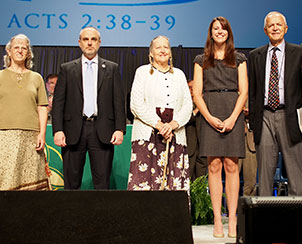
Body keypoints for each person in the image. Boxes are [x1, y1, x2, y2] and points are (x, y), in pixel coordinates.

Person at [193, 17, 248, 238]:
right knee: (214, 166)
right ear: (211, 32)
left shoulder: (240, 58)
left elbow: (243, 91)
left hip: (232, 110)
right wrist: (209, 117)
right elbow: (197, 93)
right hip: (210, 111)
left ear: (228, 32)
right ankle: (217, 219)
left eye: (223, 28)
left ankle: (232, 219)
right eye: (216, 28)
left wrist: (234, 118)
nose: (220, 32)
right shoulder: (201, 59)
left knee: (232, 166)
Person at [52, 27, 126, 190]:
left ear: (99, 43)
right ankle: (71, 214)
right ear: (79, 43)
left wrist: (119, 129)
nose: (90, 43)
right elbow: (58, 103)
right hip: (72, 131)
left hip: (103, 131)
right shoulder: (67, 68)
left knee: (102, 183)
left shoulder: (112, 68)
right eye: (86, 39)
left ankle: (100, 215)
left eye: (93, 39)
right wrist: (58, 130)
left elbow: (119, 102)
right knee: (71, 183)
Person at [127, 36, 192, 192]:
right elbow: (136, 104)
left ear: (170, 53)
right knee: (143, 183)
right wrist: (159, 125)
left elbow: (187, 106)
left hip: (175, 135)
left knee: (174, 185)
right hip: (147, 135)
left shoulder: (179, 75)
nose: (163, 50)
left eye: (166, 47)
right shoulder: (142, 72)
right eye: (158, 47)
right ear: (151, 53)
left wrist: (172, 125)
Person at [248, 11, 302, 196]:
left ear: (286, 29)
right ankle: (264, 221)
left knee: (296, 175)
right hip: (264, 117)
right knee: (264, 175)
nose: (275, 28)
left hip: (290, 116)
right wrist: (254, 122)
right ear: (265, 30)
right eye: (271, 25)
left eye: (278, 25)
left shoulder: (299, 53)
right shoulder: (256, 55)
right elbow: (253, 91)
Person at [0, 34, 50, 190]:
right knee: (7, 180)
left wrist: (41, 134)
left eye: (24, 48)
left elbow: (42, 107)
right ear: (9, 51)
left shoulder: (36, 78)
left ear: (29, 53)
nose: (20, 51)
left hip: (31, 137)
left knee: (31, 180)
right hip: (4, 136)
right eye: (16, 47)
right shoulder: (0, 76)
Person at [185, 79, 208, 181]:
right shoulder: (184, 103)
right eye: (190, 88)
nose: (192, 90)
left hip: (203, 146)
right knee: (188, 177)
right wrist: (197, 109)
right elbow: (183, 119)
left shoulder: (206, 104)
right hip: (189, 146)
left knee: (201, 180)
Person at [238, 106, 257, 196]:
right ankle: (232, 208)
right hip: (233, 138)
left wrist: (252, 112)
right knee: (231, 177)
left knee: (250, 182)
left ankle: (248, 208)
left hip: (251, 140)